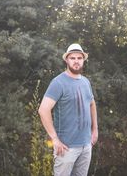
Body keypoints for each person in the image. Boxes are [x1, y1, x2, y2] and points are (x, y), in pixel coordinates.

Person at [38, 43, 98, 176]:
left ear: (83, 60)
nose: (76, 61)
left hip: (86, 145)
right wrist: (54, 139)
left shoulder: (85, 82)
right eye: (73, 58)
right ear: (66, 60)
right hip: (66, 147)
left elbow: (92, 104)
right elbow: (43, 110)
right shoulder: (58, 83)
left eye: (79, 58)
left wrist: (95, 130)